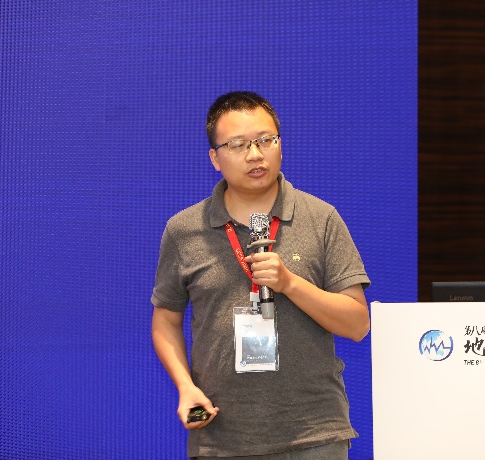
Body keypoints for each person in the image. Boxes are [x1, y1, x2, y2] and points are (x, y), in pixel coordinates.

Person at [151, 91, 370, 459]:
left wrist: (290, 284)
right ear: (215, 158)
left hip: (315, 435)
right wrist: (185, 386)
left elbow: (357, 324)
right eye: (238, 145)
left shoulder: (322, 219)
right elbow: (165, 322)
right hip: (222, 436)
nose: (255, 154)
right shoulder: (184, 230)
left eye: (266, 140)